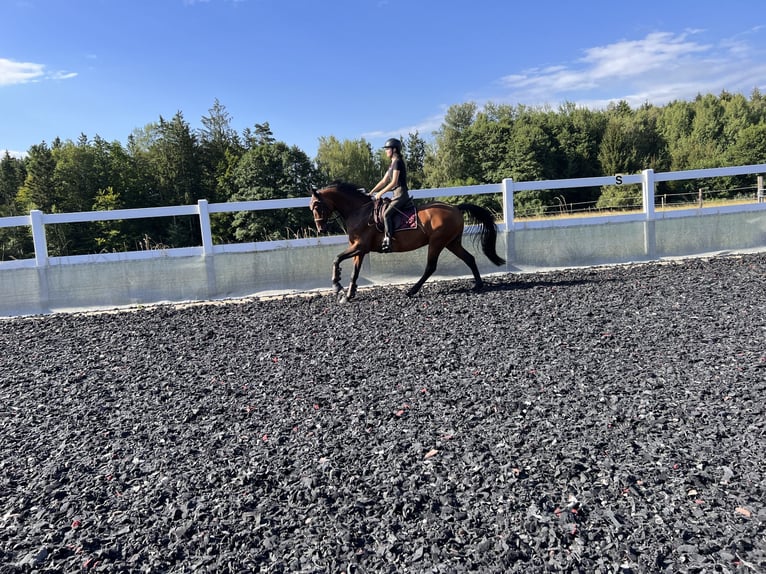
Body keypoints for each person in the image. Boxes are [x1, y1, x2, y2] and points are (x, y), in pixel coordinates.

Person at [368, 138, 409, 252]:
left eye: (387, 149)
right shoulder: (392, 164)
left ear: (394, 149)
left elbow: (394, 182)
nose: (386, 151)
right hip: (396, 194)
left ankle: (388, 239)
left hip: (401, 194)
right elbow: (384, 181)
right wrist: (371, 192)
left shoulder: (397, 162)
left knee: (386, 214)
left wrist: (380, 193)